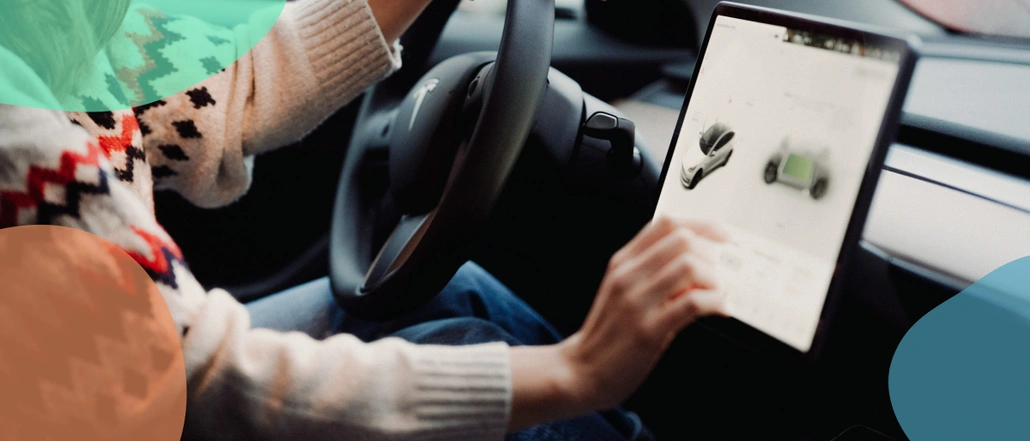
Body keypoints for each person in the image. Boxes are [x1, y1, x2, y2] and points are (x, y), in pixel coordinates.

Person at [0, 0, 729, 439]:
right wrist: (580, 371)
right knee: (504, 375)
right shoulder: (15, 135)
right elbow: (200, 385)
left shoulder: (53, 40)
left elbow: (222, 91)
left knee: (463, 294)